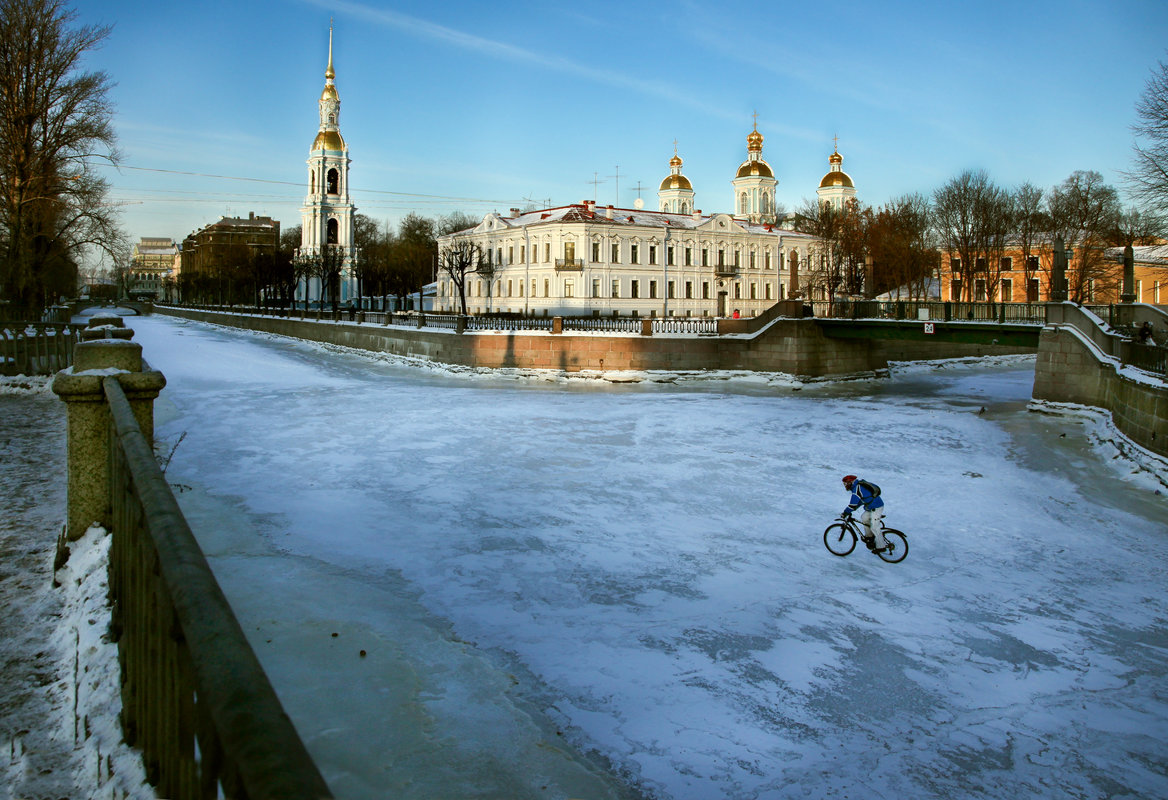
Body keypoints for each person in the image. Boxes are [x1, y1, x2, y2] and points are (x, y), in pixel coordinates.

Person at [841, 475, 888, 552]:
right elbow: (859, 502)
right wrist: (853, 509)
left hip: (877, 507)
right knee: (864, 517)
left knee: (875, 527)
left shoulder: (857, 489)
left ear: (850, 482)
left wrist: (845, 512)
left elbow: (853, 504)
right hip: (871, 507)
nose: (845, 486)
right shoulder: (857, 487)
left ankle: (881, 547)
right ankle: (870, 537)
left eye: (846, 484)